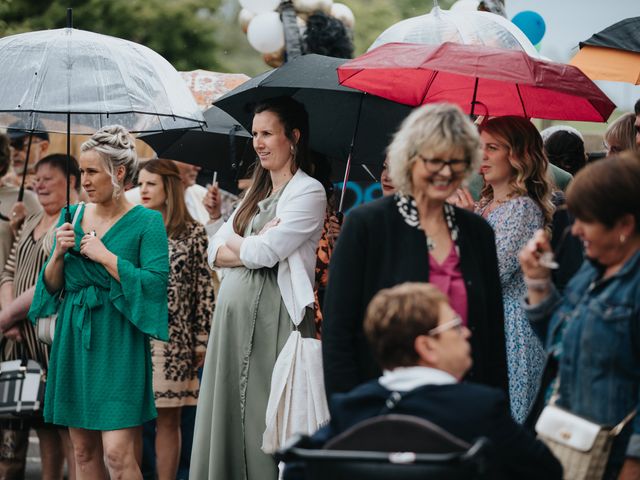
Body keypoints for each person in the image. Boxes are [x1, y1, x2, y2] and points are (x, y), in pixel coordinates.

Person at [322, 103, 508, 400]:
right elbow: (338, 333)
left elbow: (492, 339)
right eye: (435, 160)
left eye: (457, 161)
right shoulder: (367, 226)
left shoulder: (476, 233)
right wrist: (351, 413)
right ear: (409, 159)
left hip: (465, 405)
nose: (446, 172)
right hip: (384, 406)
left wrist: (493, 414)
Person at [287, 283, 562, 480]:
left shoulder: (352, 408)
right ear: (427, 347)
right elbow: (548, 471)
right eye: (454, 325)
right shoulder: (480, 408)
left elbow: (298, 466)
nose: (466, 332)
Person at [190, 96, 326, 480]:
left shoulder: (308, 191)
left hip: (274, 321)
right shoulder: (255, 192)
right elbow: (215, 249)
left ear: (293, 137)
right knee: (228, 416)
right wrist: (244, 246)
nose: (259, 142)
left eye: (268, 133)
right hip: (232, 323)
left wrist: (244, 244)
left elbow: (266, 252)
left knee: (265, 419)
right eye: (255, 134)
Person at [28, 125, 169, 479]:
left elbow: (155, 286)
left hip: (119, 340)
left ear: (118, 173)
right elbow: (50, 287)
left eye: (92, 171)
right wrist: (58, 253)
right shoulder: (70, 215)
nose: (84, 180)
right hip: (75, 339)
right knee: (82, 452)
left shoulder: (148, 222)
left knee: (118, 457)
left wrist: (107, 257)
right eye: (81, 171)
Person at [520, 153, 640, 479]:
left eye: (585, 221)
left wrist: (633, 462)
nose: (575, 232)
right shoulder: (591, 271)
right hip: (569, 443)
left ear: (625, 226)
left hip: (613, 459)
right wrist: (538, 283)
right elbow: (561, 344)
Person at [468, 116, 553, 423]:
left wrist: (467, 227)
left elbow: (493, 271)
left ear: (518, 155)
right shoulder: (482, 205)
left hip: (510, 329)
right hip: (483, 322)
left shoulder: (523, 208)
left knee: (506, 422)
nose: (484, 155)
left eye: (493, 148)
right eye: (480, 147)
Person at [0, 154, 80, 480]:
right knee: (36, 422)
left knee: (67, 430)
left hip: (55, 342)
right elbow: (8, 271)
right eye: (37, 177)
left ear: (72, 181)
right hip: (20, 344)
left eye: (49, 178)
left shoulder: (73, 223)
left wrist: (5, 317)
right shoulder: (32, 220)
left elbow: (45, 285)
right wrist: (10, 321)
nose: (39, 183)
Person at [137, 159, 214, 480]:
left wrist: (201, 341)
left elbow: (203, 290)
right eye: (140, 183)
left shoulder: (193, 232)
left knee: (169, 421)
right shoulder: (133, 227)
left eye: (150, 183)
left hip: (175, 343)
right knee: (132, 421)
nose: (142, 190)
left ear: (168, 187)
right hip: (134, 337)